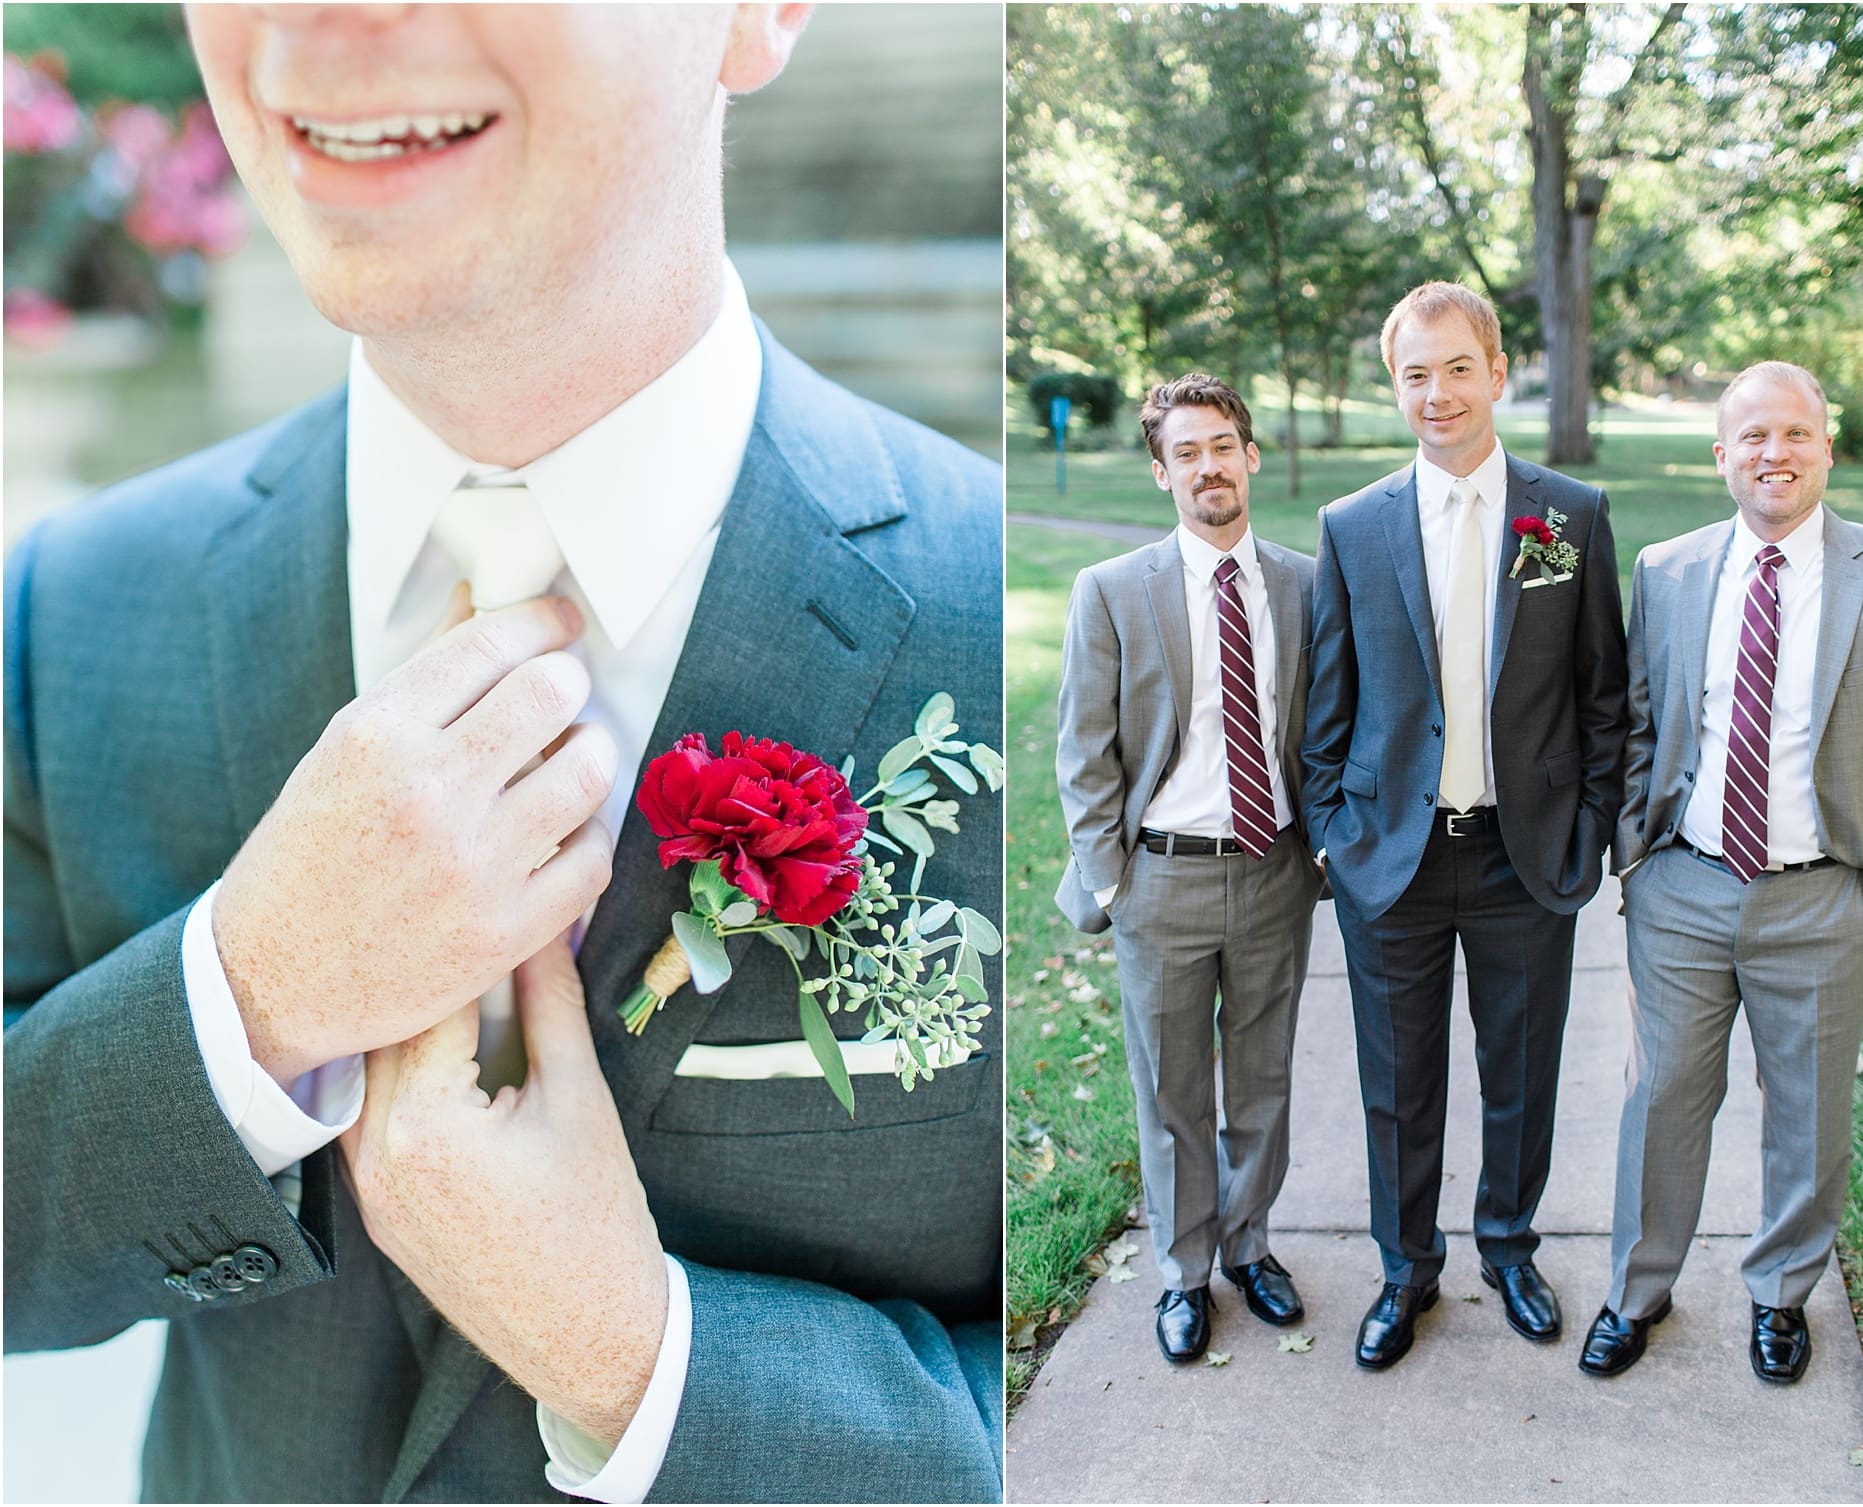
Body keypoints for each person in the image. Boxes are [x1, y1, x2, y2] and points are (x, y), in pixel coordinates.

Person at [2, 6, 1002, 1502]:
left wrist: (632, 1354)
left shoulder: (993, 618)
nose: (327, 22)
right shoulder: (70, 607)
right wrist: (244, 999)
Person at [1582, 361, 1863, 1383]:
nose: (1774, 453)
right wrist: (1635, 859)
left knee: (1808, 1109)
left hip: (1826, 895)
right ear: (1722, 455)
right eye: (1752, 435)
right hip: (1683, 886)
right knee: (1661, 1099)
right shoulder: (1667, 569)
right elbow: (1640, 723)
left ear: (1826, 447)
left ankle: (1782, 1294)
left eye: (1795, 432)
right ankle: (1637, 1290)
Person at [1301, 281, 1627, 1369]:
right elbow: (1327, 705)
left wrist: (1588, 823)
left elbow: (1601, 692)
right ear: (1394, 385)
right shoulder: (1353, 525)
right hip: (1388, 854)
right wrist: (1333, 831)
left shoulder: (1565, 516)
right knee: (1397, 1084)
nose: (1436, 392)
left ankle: (1509, 1247)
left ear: (1496, 372)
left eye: (1455, 369)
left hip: (1523, 854)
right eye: (1415, 374)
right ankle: (1405, 1268)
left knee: (1522, 1071)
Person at [1055, 373, 1323, 1363]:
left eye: (1221, 446)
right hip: (1160, 878)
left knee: (1262, 1078)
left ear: (1248, 457)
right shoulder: (1112, 590)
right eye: (1186, 452)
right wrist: (1111, 879)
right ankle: (1182, 1269)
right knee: (1170, 1088)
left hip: (1274, 869)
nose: (1207, 466)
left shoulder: (1306, 584)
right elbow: (1084, 751)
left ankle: (1249, 1247)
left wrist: (1319, 850)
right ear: (1162, 473)